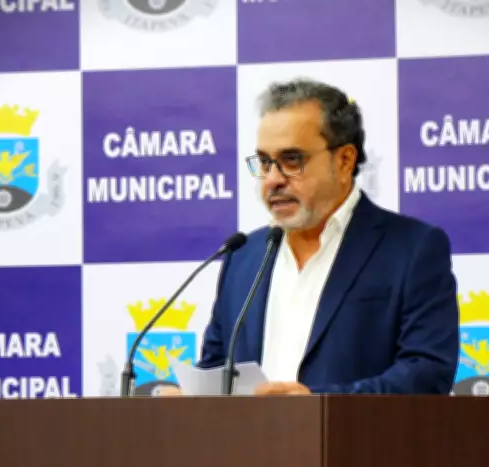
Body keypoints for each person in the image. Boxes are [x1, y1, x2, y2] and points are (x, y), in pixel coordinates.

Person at [160, 78, 459, 396]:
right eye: (264, 162)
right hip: (250, 432)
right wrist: (192, 399)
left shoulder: (412, 249)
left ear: (344, 161)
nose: (273, 180)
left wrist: (318, 404)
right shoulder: (243, 257)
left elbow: (426, 374)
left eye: (292, 160)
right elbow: (217, 371)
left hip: (349, 430)